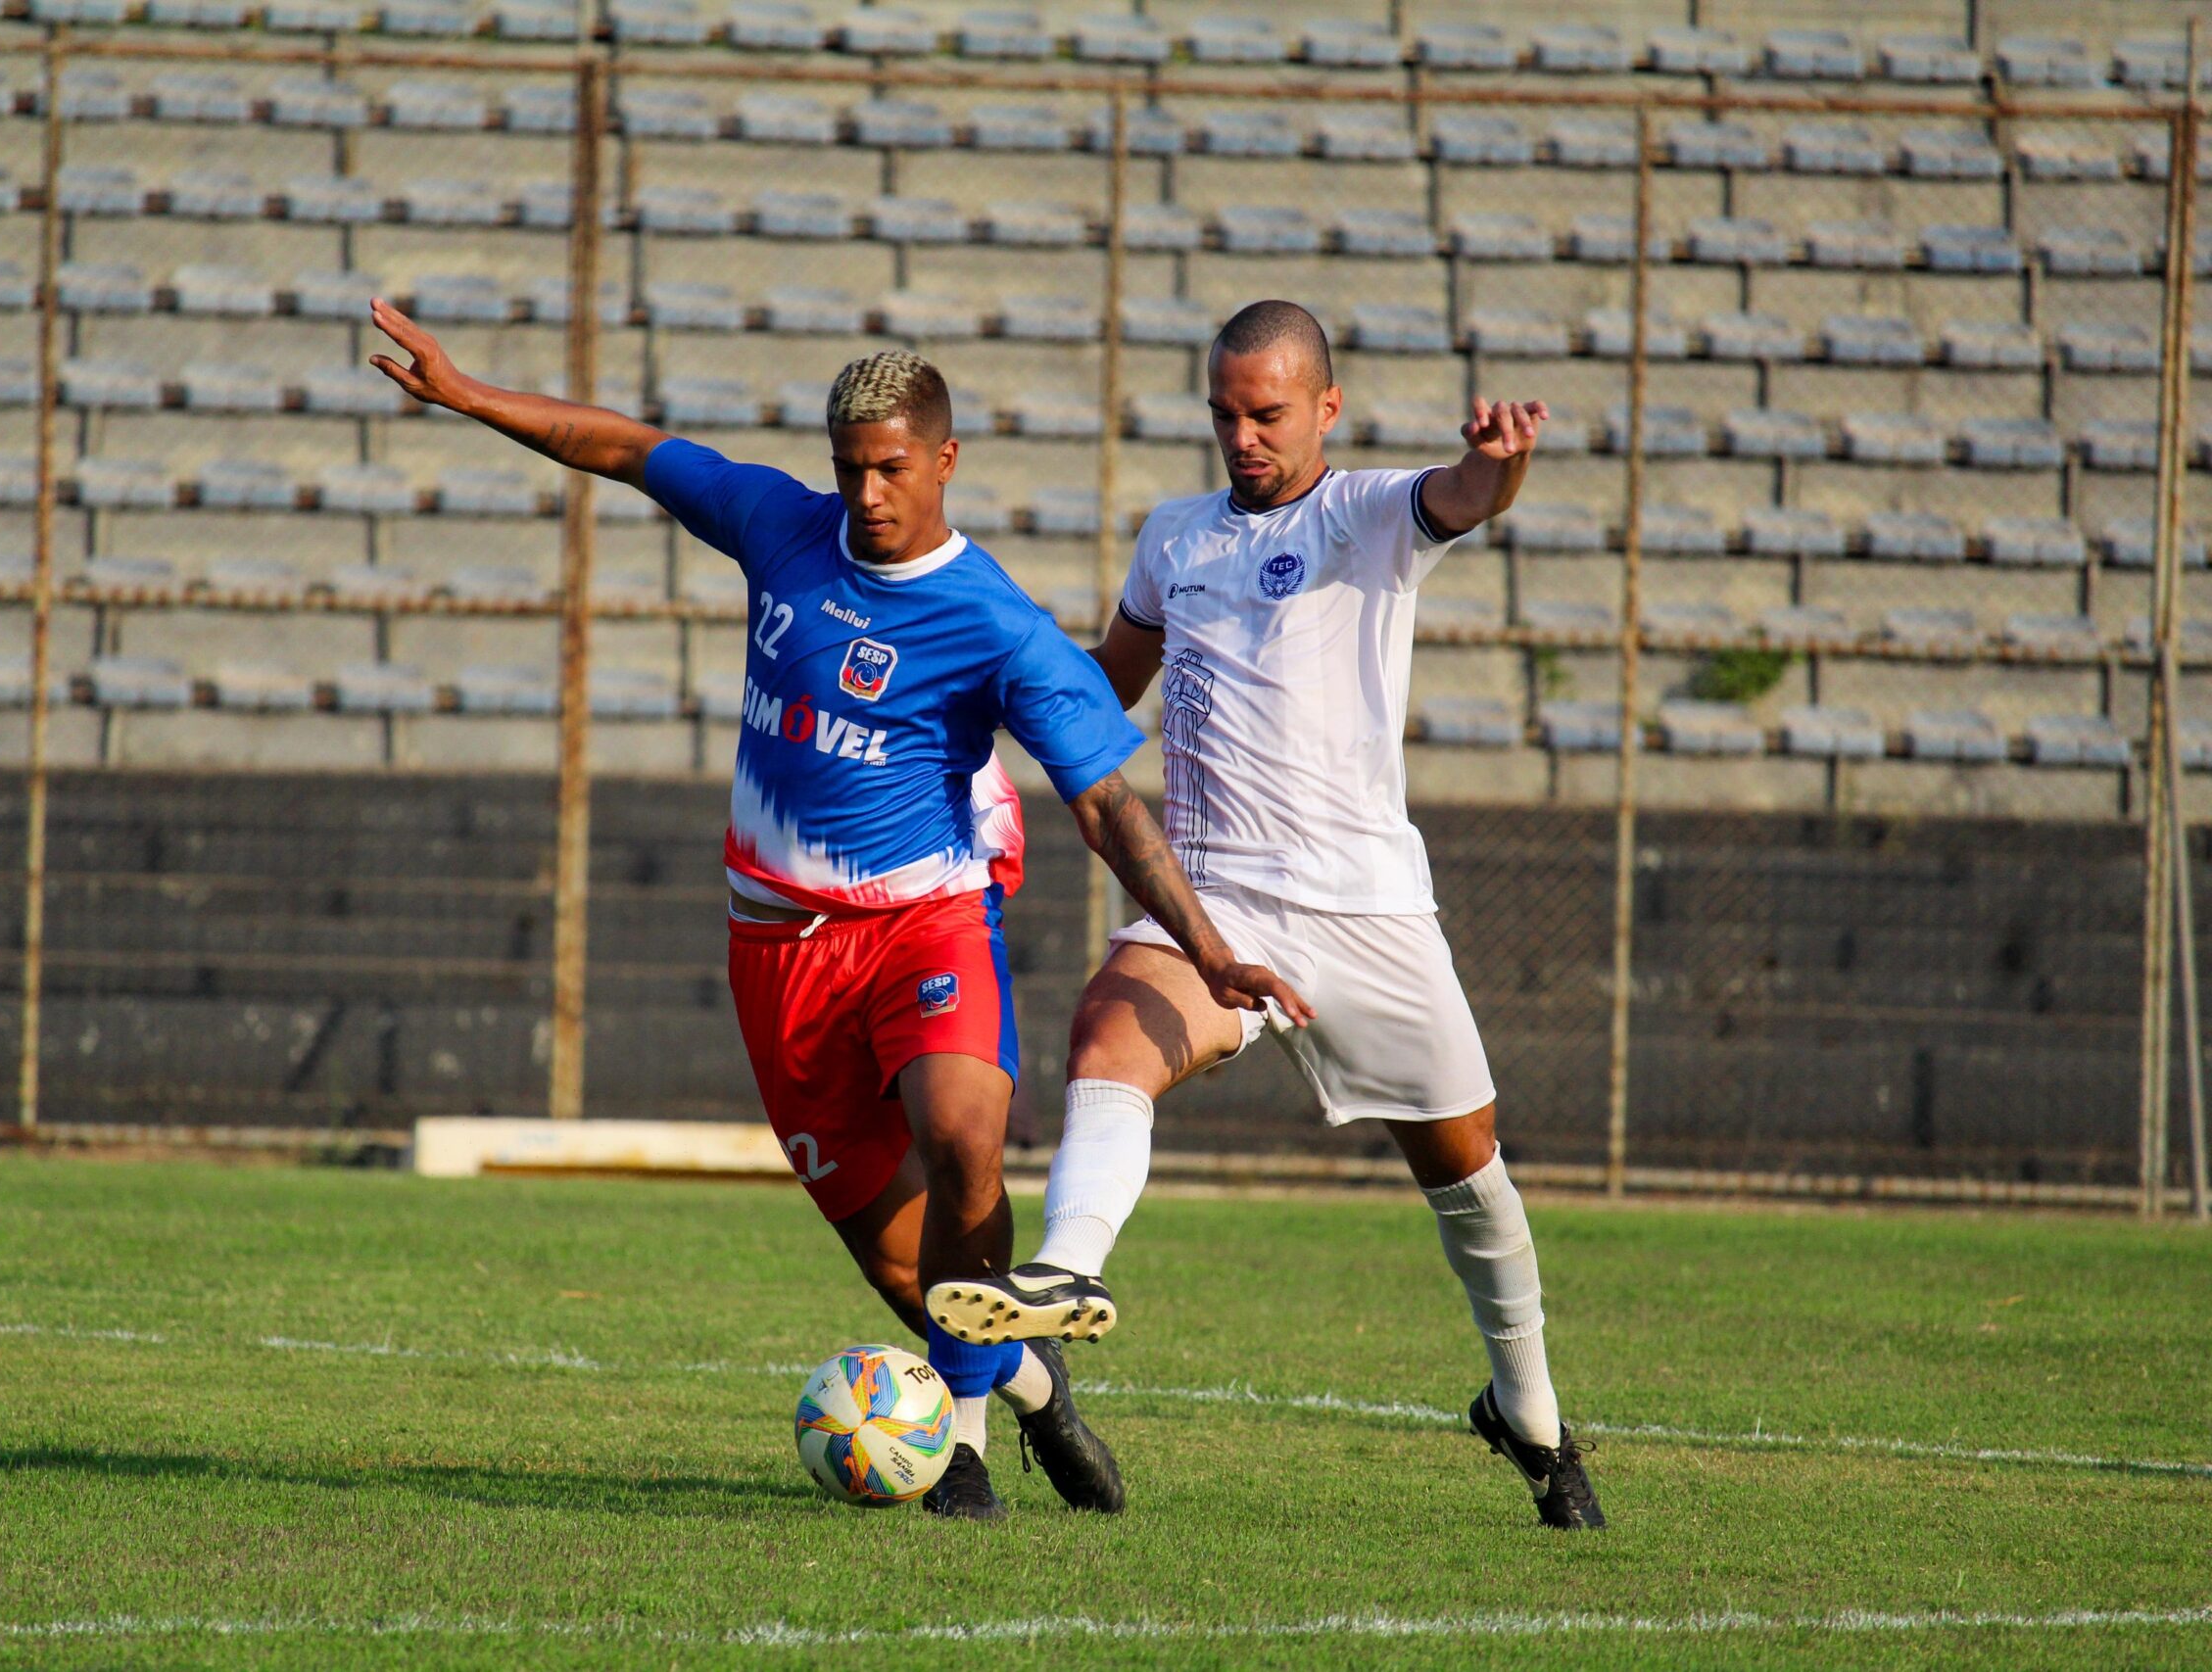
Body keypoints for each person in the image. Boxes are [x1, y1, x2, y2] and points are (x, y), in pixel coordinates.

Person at [367, 305, 1309, 1522]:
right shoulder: (781, 531)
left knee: (966, 1131)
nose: (867, 494)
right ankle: (1029, 1383)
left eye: (892, 469)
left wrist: (1211, 950)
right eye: (851, 469)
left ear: (944, 461)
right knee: (896, 1260)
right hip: (776, 951)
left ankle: (959, 1444)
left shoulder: (996, 625)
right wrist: (468, 391)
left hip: (925, 919)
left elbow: (1108, 809)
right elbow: (627, 450)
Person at [925, 300, 1606, 1530]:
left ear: (1326, 409)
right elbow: (1097, 694)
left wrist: (1500, 467)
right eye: (1225, 414)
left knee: (1471, 1182)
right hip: (1220, 897)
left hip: (1369, 912)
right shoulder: (1174, 539)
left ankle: (1532, 1416)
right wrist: (978, 715)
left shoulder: (1364, 515)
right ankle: (1066, 1267)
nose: (1243, 437)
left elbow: (1460, 497)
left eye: (1268, 414)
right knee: (1108, 1035)